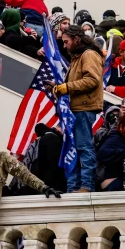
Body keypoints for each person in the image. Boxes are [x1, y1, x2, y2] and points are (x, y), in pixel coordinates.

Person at [49, 25, 104, 193]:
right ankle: (73, 186)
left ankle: (86, 185)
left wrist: (66, 87)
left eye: (66, 42)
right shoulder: (77, 57)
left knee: (84, 147)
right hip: (74, 110)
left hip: (83, 109)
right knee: (72, 148)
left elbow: (92, 80)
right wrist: (58, 87)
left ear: (76, 39)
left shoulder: (89, 55)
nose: (64, 45)